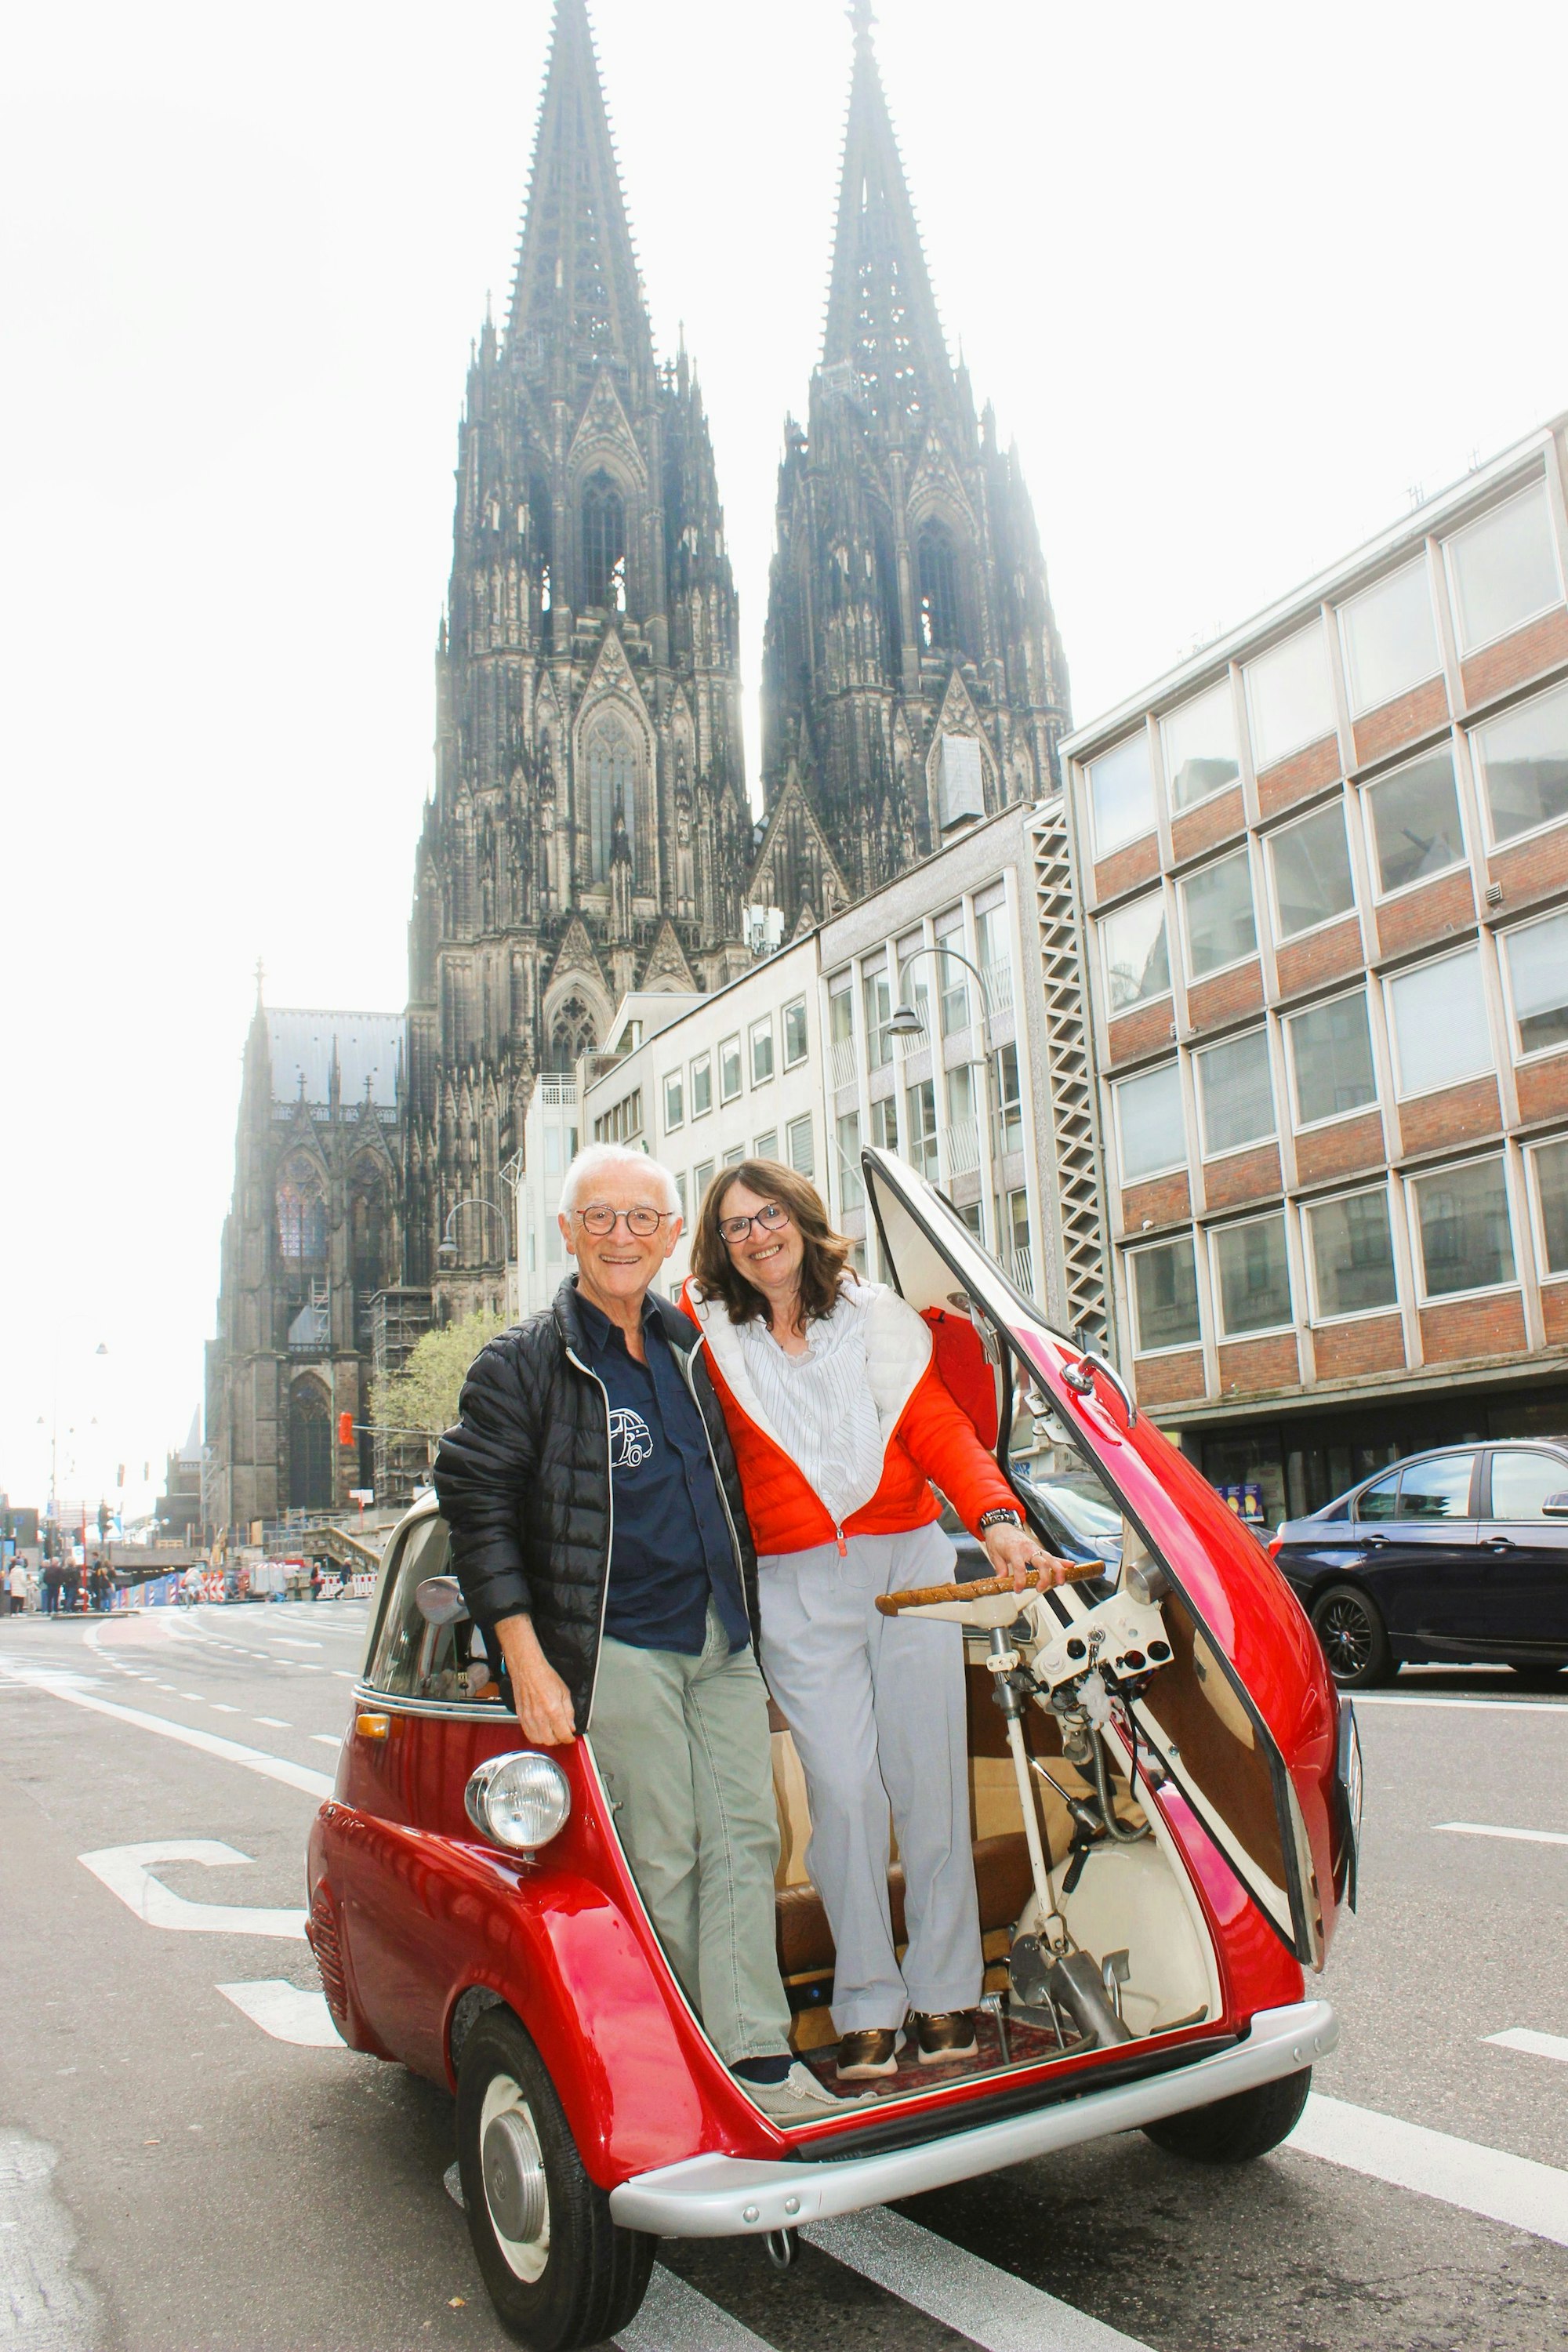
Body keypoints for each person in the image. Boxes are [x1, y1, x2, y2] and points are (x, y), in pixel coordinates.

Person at [434, 1143, 863, 2125]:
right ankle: (675, 2055)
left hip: (716, 1636)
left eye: (641, 1220)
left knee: (746, 1837)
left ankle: (751, 2051)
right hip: (615, 1643)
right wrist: (525, 1658)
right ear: (566, 1233)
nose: (620, 1238)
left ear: (674, 1236)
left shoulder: (692, 1344)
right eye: (599, 1218)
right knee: (661, 1851)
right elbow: (479, 1513)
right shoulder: (522, 1362)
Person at [685, 1160, 1067, 2083]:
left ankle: (943, 1996)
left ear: (802, 1220)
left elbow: (939, 1430)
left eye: (767, 1215)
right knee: (847, 1795)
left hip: (909, 1565)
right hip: (795, 1582)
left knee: (928, 1784)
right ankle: (863, 2002)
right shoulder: (703, 1341)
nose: (756, 1236)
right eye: (735, 1227)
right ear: (720, 1248)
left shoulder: (878, 1319)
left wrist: (1000, 1518)